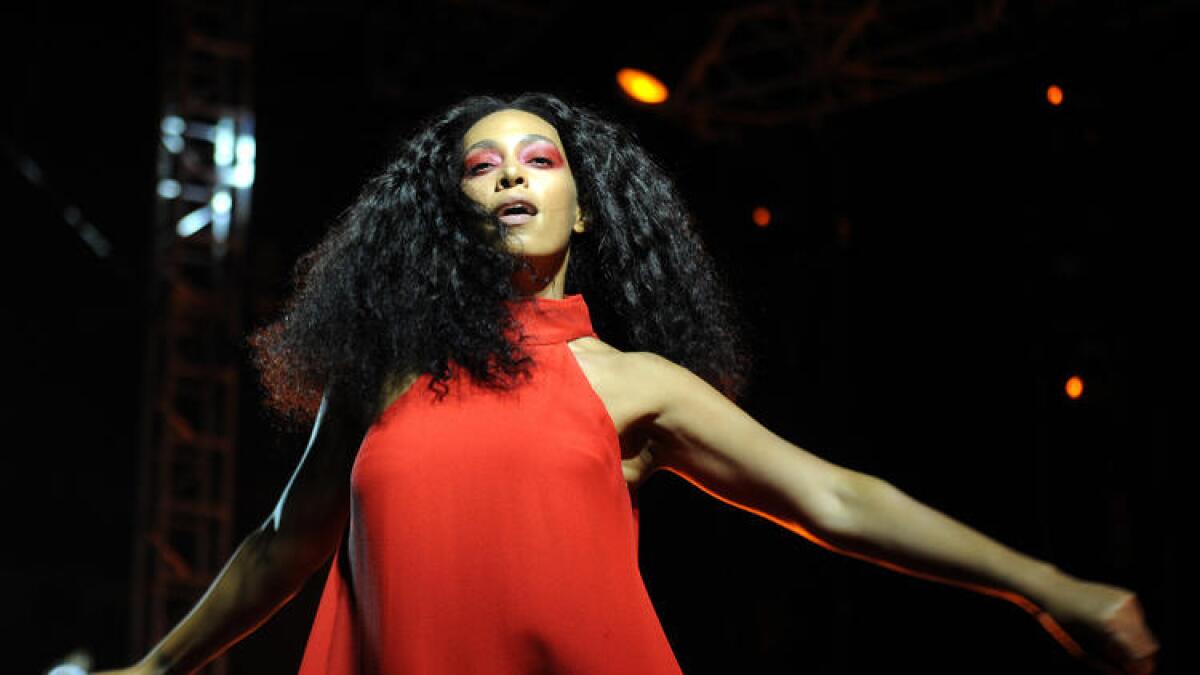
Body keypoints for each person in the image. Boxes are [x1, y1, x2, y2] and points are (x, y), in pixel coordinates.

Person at [97, 92, 1159, 674]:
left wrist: (1052, 586)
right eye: (481, 165)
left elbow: (837, 501)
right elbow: (284, 543)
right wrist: (154, 672)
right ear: (452, 212)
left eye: (541, 159)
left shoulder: (631, 384)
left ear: (585, 209)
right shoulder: (387, 370)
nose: (511, 172)